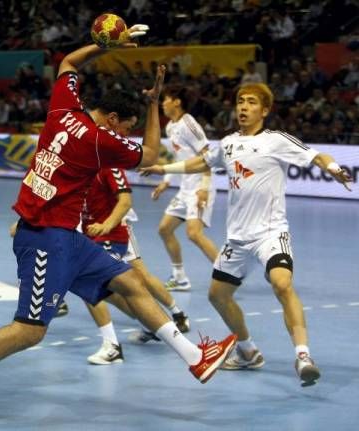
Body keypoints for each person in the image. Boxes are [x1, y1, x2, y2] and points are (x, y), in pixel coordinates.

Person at [0, 30, 236, 431]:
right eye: (127, 127)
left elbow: (68, 63)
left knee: (132, 284)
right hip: (46, 239)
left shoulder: (62, 110)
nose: (126, 135)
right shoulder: (100, 141)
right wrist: (154, 105)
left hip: (71, 236)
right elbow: (151, 154)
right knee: (30, 331)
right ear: (113, 120)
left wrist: (104, 47)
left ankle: (194, 358)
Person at [140, 83, 352, 385]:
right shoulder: (227, 143)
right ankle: (248, 351)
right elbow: (201, 162)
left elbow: (316, 156)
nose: (243, 107)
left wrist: (333, 168)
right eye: (240, 101)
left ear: (264, 110)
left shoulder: (275, 140)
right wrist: (163, 170)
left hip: (270, 233)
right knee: (217, 296)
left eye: (251, 102)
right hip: (237, 238)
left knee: (282, 283)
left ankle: (303, 355)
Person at [81, 167, 191, 365]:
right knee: (114, 285)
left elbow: (124, 200)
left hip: (113, 229)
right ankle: (154, 322)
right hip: (93, 232)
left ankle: (174, 315)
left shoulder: (107, 164)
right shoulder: (79, 163)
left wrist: (107, 224)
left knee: (134, 277)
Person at [152, 86, 219, 291]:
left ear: (177, 102)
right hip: (185, 188)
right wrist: (167, 181)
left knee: (194, 234)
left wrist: (204, 188)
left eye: (166, 99)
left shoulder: (189, 124)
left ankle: (228, 274)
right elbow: (179, 157)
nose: (163, 103)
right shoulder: (171, 127)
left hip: (200, 186)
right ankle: (180, 278)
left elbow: (208, 156)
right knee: (164, 229)